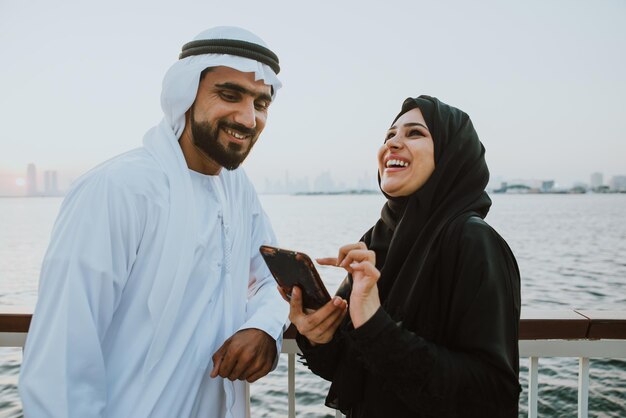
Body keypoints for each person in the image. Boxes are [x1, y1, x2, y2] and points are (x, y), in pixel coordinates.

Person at [19, 26, 289, 418]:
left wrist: (264, 327)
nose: (248, 118)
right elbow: (61, 357)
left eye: (261, 103)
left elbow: (271, 278)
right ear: (185, 97)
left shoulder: (237, 189)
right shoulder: (118, 188)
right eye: (229, 95)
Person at [285, 96, 521, 417]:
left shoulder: (473, 241)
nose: (393, 143)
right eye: (388, 136)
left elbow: (491, 394)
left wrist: (374, 323)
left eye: (414, 133)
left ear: (452, 155)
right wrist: (317, 336)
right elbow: (350, 366)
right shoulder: (376, 239)